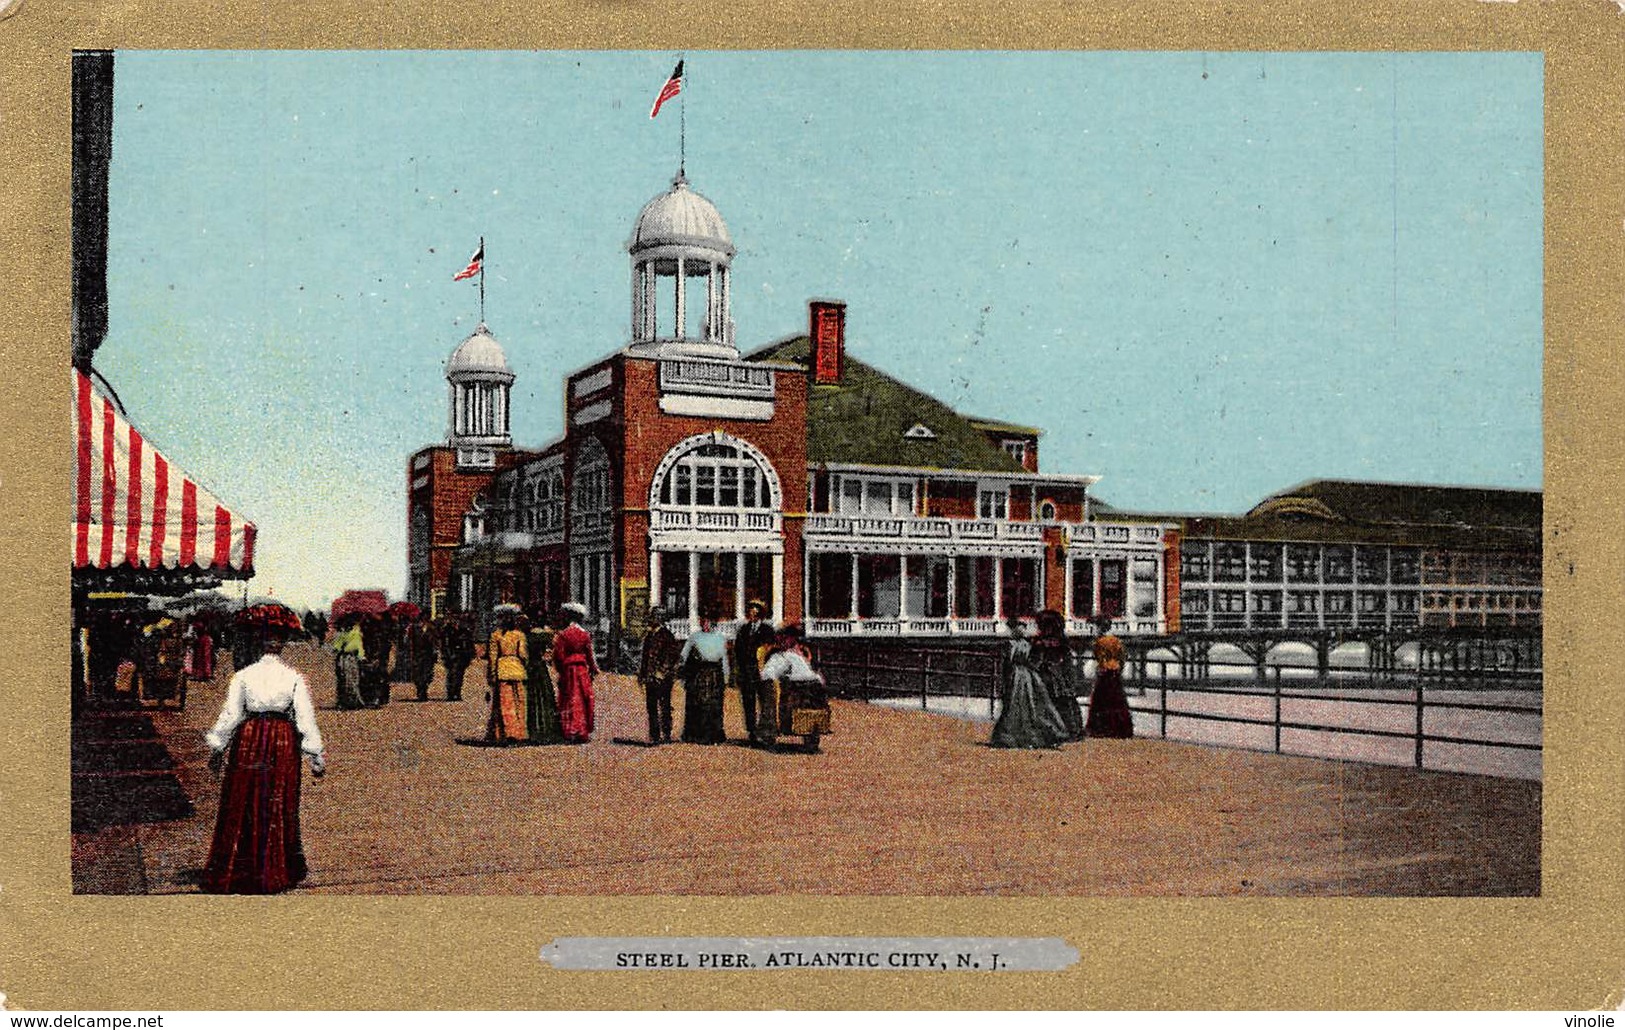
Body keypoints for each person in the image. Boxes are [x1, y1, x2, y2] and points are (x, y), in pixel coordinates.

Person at [200, 604, 326, 894]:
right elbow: (305, 718)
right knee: (277, 800)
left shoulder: (243, 676)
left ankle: (241, 867)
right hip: (282, 740)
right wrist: (315, 756)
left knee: (243, 799)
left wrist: (217, 748)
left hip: (249, 738)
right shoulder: (294, 677)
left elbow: (231, 716)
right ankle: (276, 867)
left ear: (259, 641)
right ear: (282, 644)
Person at [990, 617, 1070, 749]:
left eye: (1023, 628)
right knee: (1018, 705)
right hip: (1020, 674)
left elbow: (1022, 660)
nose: (1023, 631)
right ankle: (1014, 736)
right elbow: (1009, 662)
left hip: (1024, 675)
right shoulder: (1013, 644)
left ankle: (1045, 734)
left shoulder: (1025, 644)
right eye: (1020, 628)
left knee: (1033, 704)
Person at [759, 624, 830, 753]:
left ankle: (812, 734)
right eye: (784, 639)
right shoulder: (782, 656)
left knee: (813, 709)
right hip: (799, 685)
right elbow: (768, 673)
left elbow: (810, 671)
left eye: (789, 639)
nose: (786, 642)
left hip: (808, 686)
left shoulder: (796, 654)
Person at [1031, 608, 1085, 741]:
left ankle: (1068, 730)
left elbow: (1062, 658)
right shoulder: (1048, 641)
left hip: (1055, 675)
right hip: (1051, 674)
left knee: (1061, 702)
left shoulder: (1050, 642)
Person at [678, 611, 729, 745]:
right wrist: (684, 673)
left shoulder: (720, 638)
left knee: (713, 705)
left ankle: (713, 736)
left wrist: (726, 676)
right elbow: (684, 655)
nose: (705, 624)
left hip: (714, 675)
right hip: (698, 674)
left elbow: (724, 659)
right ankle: (695, 735)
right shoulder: (694, 637)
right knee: (697, 704)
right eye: (703, 621)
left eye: (708, 621)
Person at [551, 602, 599, 745]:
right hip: (582, 670)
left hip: (569, 669)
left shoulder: (563, 635)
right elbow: (590, 655)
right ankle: (582, 730)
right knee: (583, 698)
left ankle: (570, 729)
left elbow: (558, 656)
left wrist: (561, 670)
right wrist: (593, 669)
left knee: (570, 698)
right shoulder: (584, 634)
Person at [636, 607, 682, 745]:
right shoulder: (649, 636)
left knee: (665, 706)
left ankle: (666, 734)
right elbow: (645, 658)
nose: (652, 619)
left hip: (663, 679)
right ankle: (655, 735)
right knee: (651, 707)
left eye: (655, 616)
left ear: (660, 619)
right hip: (650, 678)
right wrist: (642, 674)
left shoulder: (667, 635)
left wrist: (662, 672)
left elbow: (672, 656)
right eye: (652, 616)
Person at [1084, 614, 1135, 738]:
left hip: (1105, 673)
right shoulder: (1116, 640)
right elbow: (1123, 657)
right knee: (1117, 701)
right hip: (1115, 673)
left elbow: (1099, 659)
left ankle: (1101, 729)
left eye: (1095, 628)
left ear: (1100, 628)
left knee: (1101, 702)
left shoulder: (1100, 642)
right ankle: (1120, 729)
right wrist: (1119, 668)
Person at [485, 607, 530, 744]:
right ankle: (519, 733)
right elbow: (523, 654)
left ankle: (507, 733)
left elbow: (493, 657)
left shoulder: (496, 635)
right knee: (519, 703)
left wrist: (492, 674)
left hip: (502, 670)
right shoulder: (519, 635)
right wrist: (523, 665)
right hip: (517, 670)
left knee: (505, 703)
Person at [733, 599, 775, 745]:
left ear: (761, 615)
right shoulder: (743, 630)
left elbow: (770, 649)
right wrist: (738, 671)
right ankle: (751, 732)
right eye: (751, 612)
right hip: (746, 672)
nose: (753, 614)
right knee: (748, 702)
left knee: (765, 702)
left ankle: (766, 732)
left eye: (756, 612)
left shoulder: (767, 630)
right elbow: (737, 651)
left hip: (762, 671)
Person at [523, 609, 565, 744]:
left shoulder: (526, 635)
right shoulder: (547, 635)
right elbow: (555, 647)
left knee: (531, 696)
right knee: (545, 696)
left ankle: (532, 729)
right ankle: (547, 728)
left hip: (530, 667)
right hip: (540, 668)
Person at [330, 614, 367, 710]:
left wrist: (361, 655)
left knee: (349, 679)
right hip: (348, 657)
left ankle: (350, 702)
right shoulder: (350, 631)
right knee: (348, 679)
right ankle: (350, 702)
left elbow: (358, 644)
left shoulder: (352, 631)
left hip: (349, 657)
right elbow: (358, 645)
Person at [359, 612, 393, 707]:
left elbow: (386, 644)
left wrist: (378, 655)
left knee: (379, 676)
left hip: (379, 655)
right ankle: (375, 698)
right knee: (372, 677)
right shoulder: (366, 625)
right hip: (372, 655)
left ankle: (378, 698)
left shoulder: (381, 629)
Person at [439, 614, 474, 702]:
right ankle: (450, 694)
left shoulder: (464, 630)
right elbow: (443, 644)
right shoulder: (447, 630)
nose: (454, 621)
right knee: (451, 674)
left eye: (456, 619)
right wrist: (445, 654)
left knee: (459, 675)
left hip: (462, 656)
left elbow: (469, 643)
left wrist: (470, 654)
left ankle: (457, 693)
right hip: (450, 655)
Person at [407, 614, 438, 703]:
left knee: (427, 674)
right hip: (418, 654)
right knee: (417, 674)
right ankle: (420, 692)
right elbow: (410, 641)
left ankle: (424, 691)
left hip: (428, 655)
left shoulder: (432, 628)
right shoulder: (414, 628)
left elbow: (436, 641)